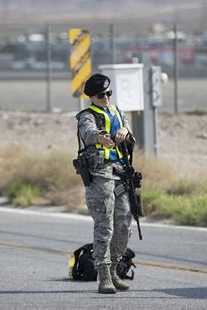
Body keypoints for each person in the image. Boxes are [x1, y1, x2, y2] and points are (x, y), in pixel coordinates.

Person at [75, 73, 135, 294]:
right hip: (100, 176)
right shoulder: (87, 116)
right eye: (101, 95)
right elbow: (89, 132)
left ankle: (114, 269)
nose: (106, 97)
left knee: (124, 224)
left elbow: (129, 131)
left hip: (120, 174)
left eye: (109, 93)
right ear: (91, 96)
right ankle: (103, 276)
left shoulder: (117, 111)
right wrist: (101, 137)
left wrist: (125, 131)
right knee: (105, 226)